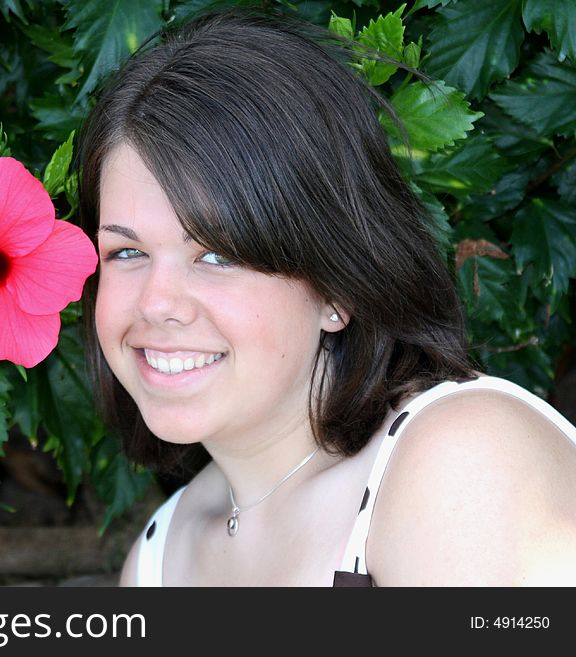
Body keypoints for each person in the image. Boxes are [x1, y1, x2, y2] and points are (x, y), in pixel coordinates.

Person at [75, 7, 576, 586]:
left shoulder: (460, 459)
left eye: (217, 254)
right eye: (127, 253)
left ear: (337, 286)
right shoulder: (159, 562)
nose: (157, 303)